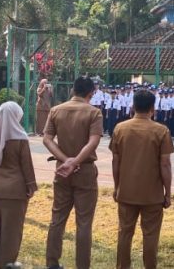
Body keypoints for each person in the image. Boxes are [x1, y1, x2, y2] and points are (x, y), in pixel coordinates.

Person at [43, 76, 104, 269]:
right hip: (84, 170)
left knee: (57, 218)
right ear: (91, 93)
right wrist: (75, 161)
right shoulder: (94, 113)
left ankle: (52, 263)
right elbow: (93, 141)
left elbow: (47, 139)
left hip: (61, 171)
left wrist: (64, 160)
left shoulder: (56, 110)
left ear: (72, 90)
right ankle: (82, 265)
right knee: (84, 223)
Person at [110, 90, 174, 269]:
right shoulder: (161, 131)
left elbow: (116, 162)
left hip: (127, 191)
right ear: (153, 108)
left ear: (133, 106)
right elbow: (165, 165)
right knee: (151, 235)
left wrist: (117, 187)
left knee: (124, 233)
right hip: (152, 194)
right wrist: (167, 193)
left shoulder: (120, 128)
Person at [0, 102, 37, 268]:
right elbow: (26, 166)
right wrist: (31, 185)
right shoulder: (20, 138)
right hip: (16, 189)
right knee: (12, 228)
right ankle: (8, 261)